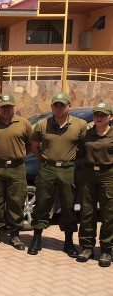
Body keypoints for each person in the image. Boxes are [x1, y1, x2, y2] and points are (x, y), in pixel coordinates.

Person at [28, 93, 88, 258]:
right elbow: (34, 147)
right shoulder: (42, 124)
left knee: (68, 206)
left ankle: (68, 242)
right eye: (56, 105)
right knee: (42, 203)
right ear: (52, 107)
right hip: (47, 168)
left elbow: (84, 148)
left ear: (69, 106)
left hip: (68, 169)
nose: (59, 108)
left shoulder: (80, 125)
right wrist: (46, 160)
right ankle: (37, 238)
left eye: (62, 105)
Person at [0, 93, 32, 250]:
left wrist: (17, 155)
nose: (6, 109)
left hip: (16, 167)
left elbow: (29, 145)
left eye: (9, 106)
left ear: (14, 107)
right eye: (3, 106)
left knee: (16, 201)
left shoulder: (24, 123)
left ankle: (14, 234)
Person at [76, 102, 112, 267]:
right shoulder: (87, 134)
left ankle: (105, 249)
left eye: (103, 115)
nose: (99, 117)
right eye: (97, 114)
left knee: (108, 215)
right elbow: (81, 155)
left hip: (108, 175)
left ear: (110, 117)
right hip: (88, 175)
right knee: (87, 212)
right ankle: (87, 247)